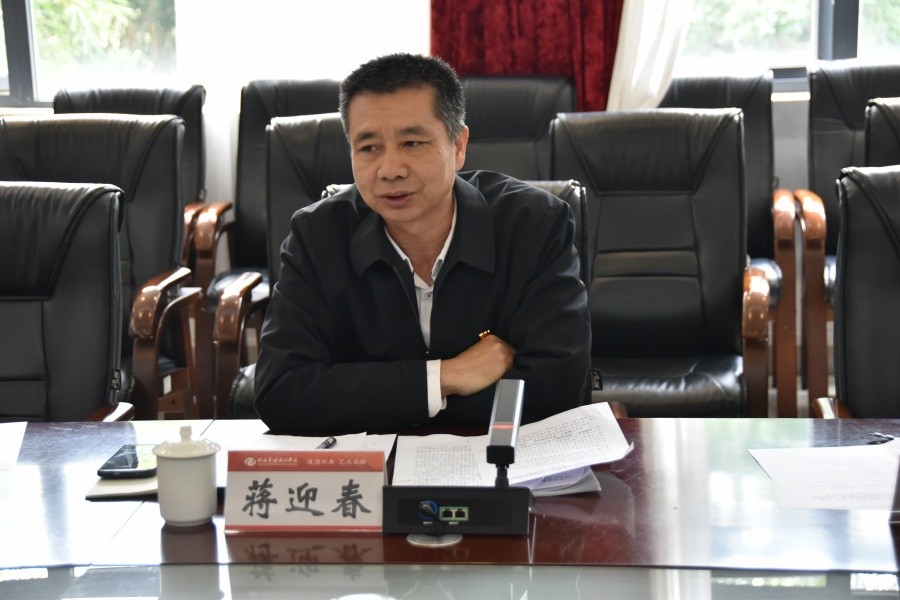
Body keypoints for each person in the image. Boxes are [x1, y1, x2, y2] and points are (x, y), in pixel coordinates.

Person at [254, 53, 590, 434]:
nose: (390, 170)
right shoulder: (316, 237)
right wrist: (444, 378)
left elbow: (557, 388)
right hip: (374, 465)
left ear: (458, 146)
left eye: (412, 143)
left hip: (501, 459)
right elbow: (281, 391)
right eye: (369, 148)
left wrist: (371, 396)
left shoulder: (535, 225)